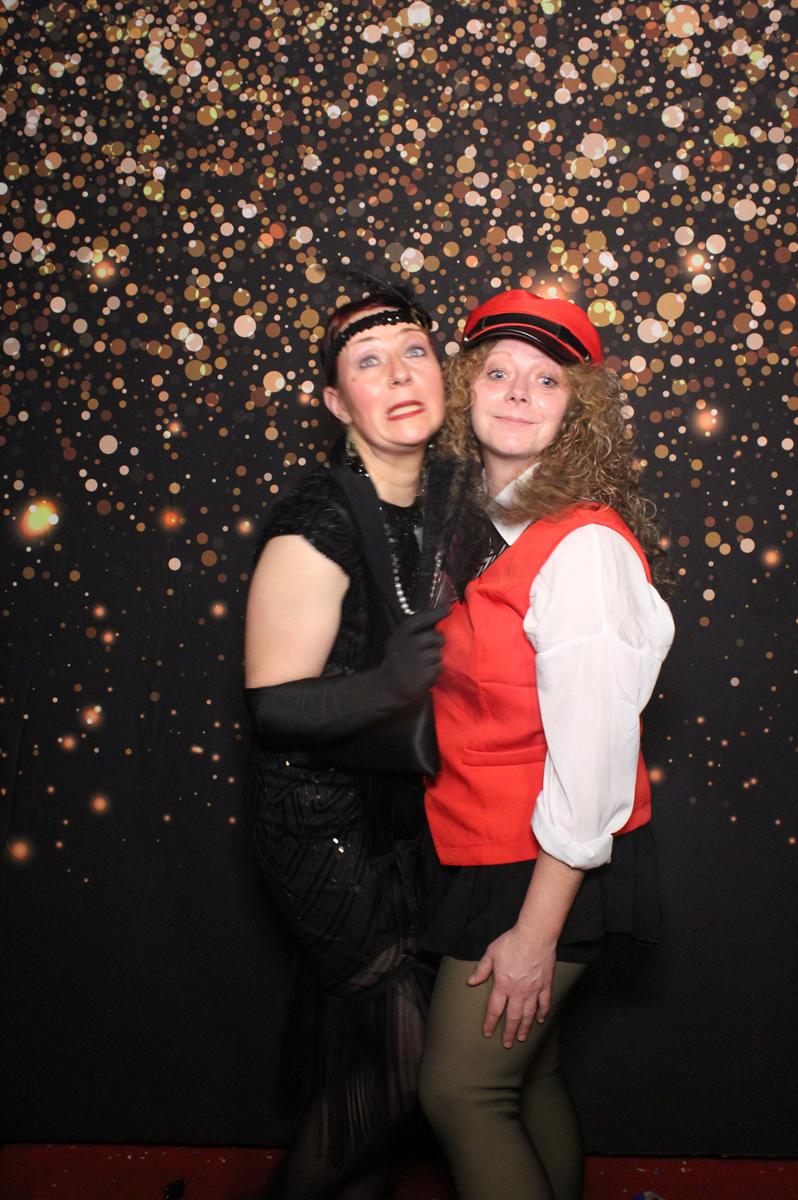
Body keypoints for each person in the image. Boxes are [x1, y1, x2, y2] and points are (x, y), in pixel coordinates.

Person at [417, 290, 675, 1200]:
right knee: (529, 1079)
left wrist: (535, 931)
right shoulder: (478, 527)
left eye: (547, 379)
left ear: (578, 410)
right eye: (497, 372)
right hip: (487, 841)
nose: (519, 393)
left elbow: (595, 762)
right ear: (465, 391)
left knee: (463, 1091)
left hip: (543, 861)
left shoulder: (583, 549)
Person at [244, 281, 450, 1199]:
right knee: (395, 1071)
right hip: (321, 824)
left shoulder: (444, 505)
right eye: (369, 363)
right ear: (337, 402)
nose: (399, 376)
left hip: (404, 818)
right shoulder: (316, 523)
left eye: (414, 353)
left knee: (371, 1071)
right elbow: (274, 710)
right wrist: (389, 687)